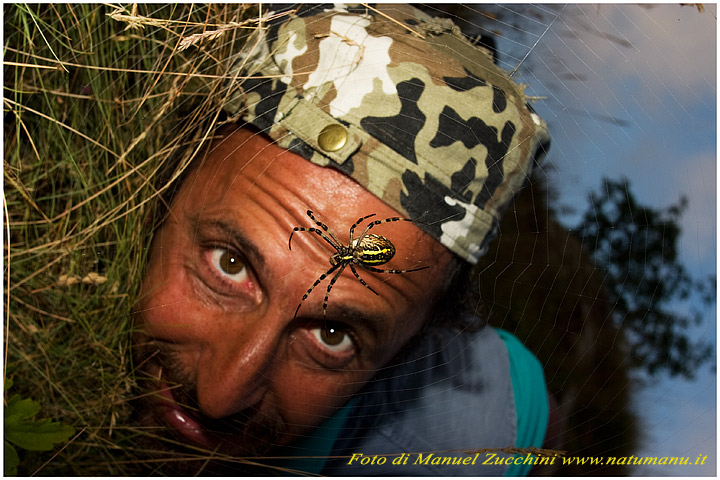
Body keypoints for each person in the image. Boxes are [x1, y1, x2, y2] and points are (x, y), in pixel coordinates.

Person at [132, 4, 553, 475]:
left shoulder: (468, 441)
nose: (221, 396)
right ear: (169, 176)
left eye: (333, 337)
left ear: (415, 343)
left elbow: (526, 402)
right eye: (229, 265)